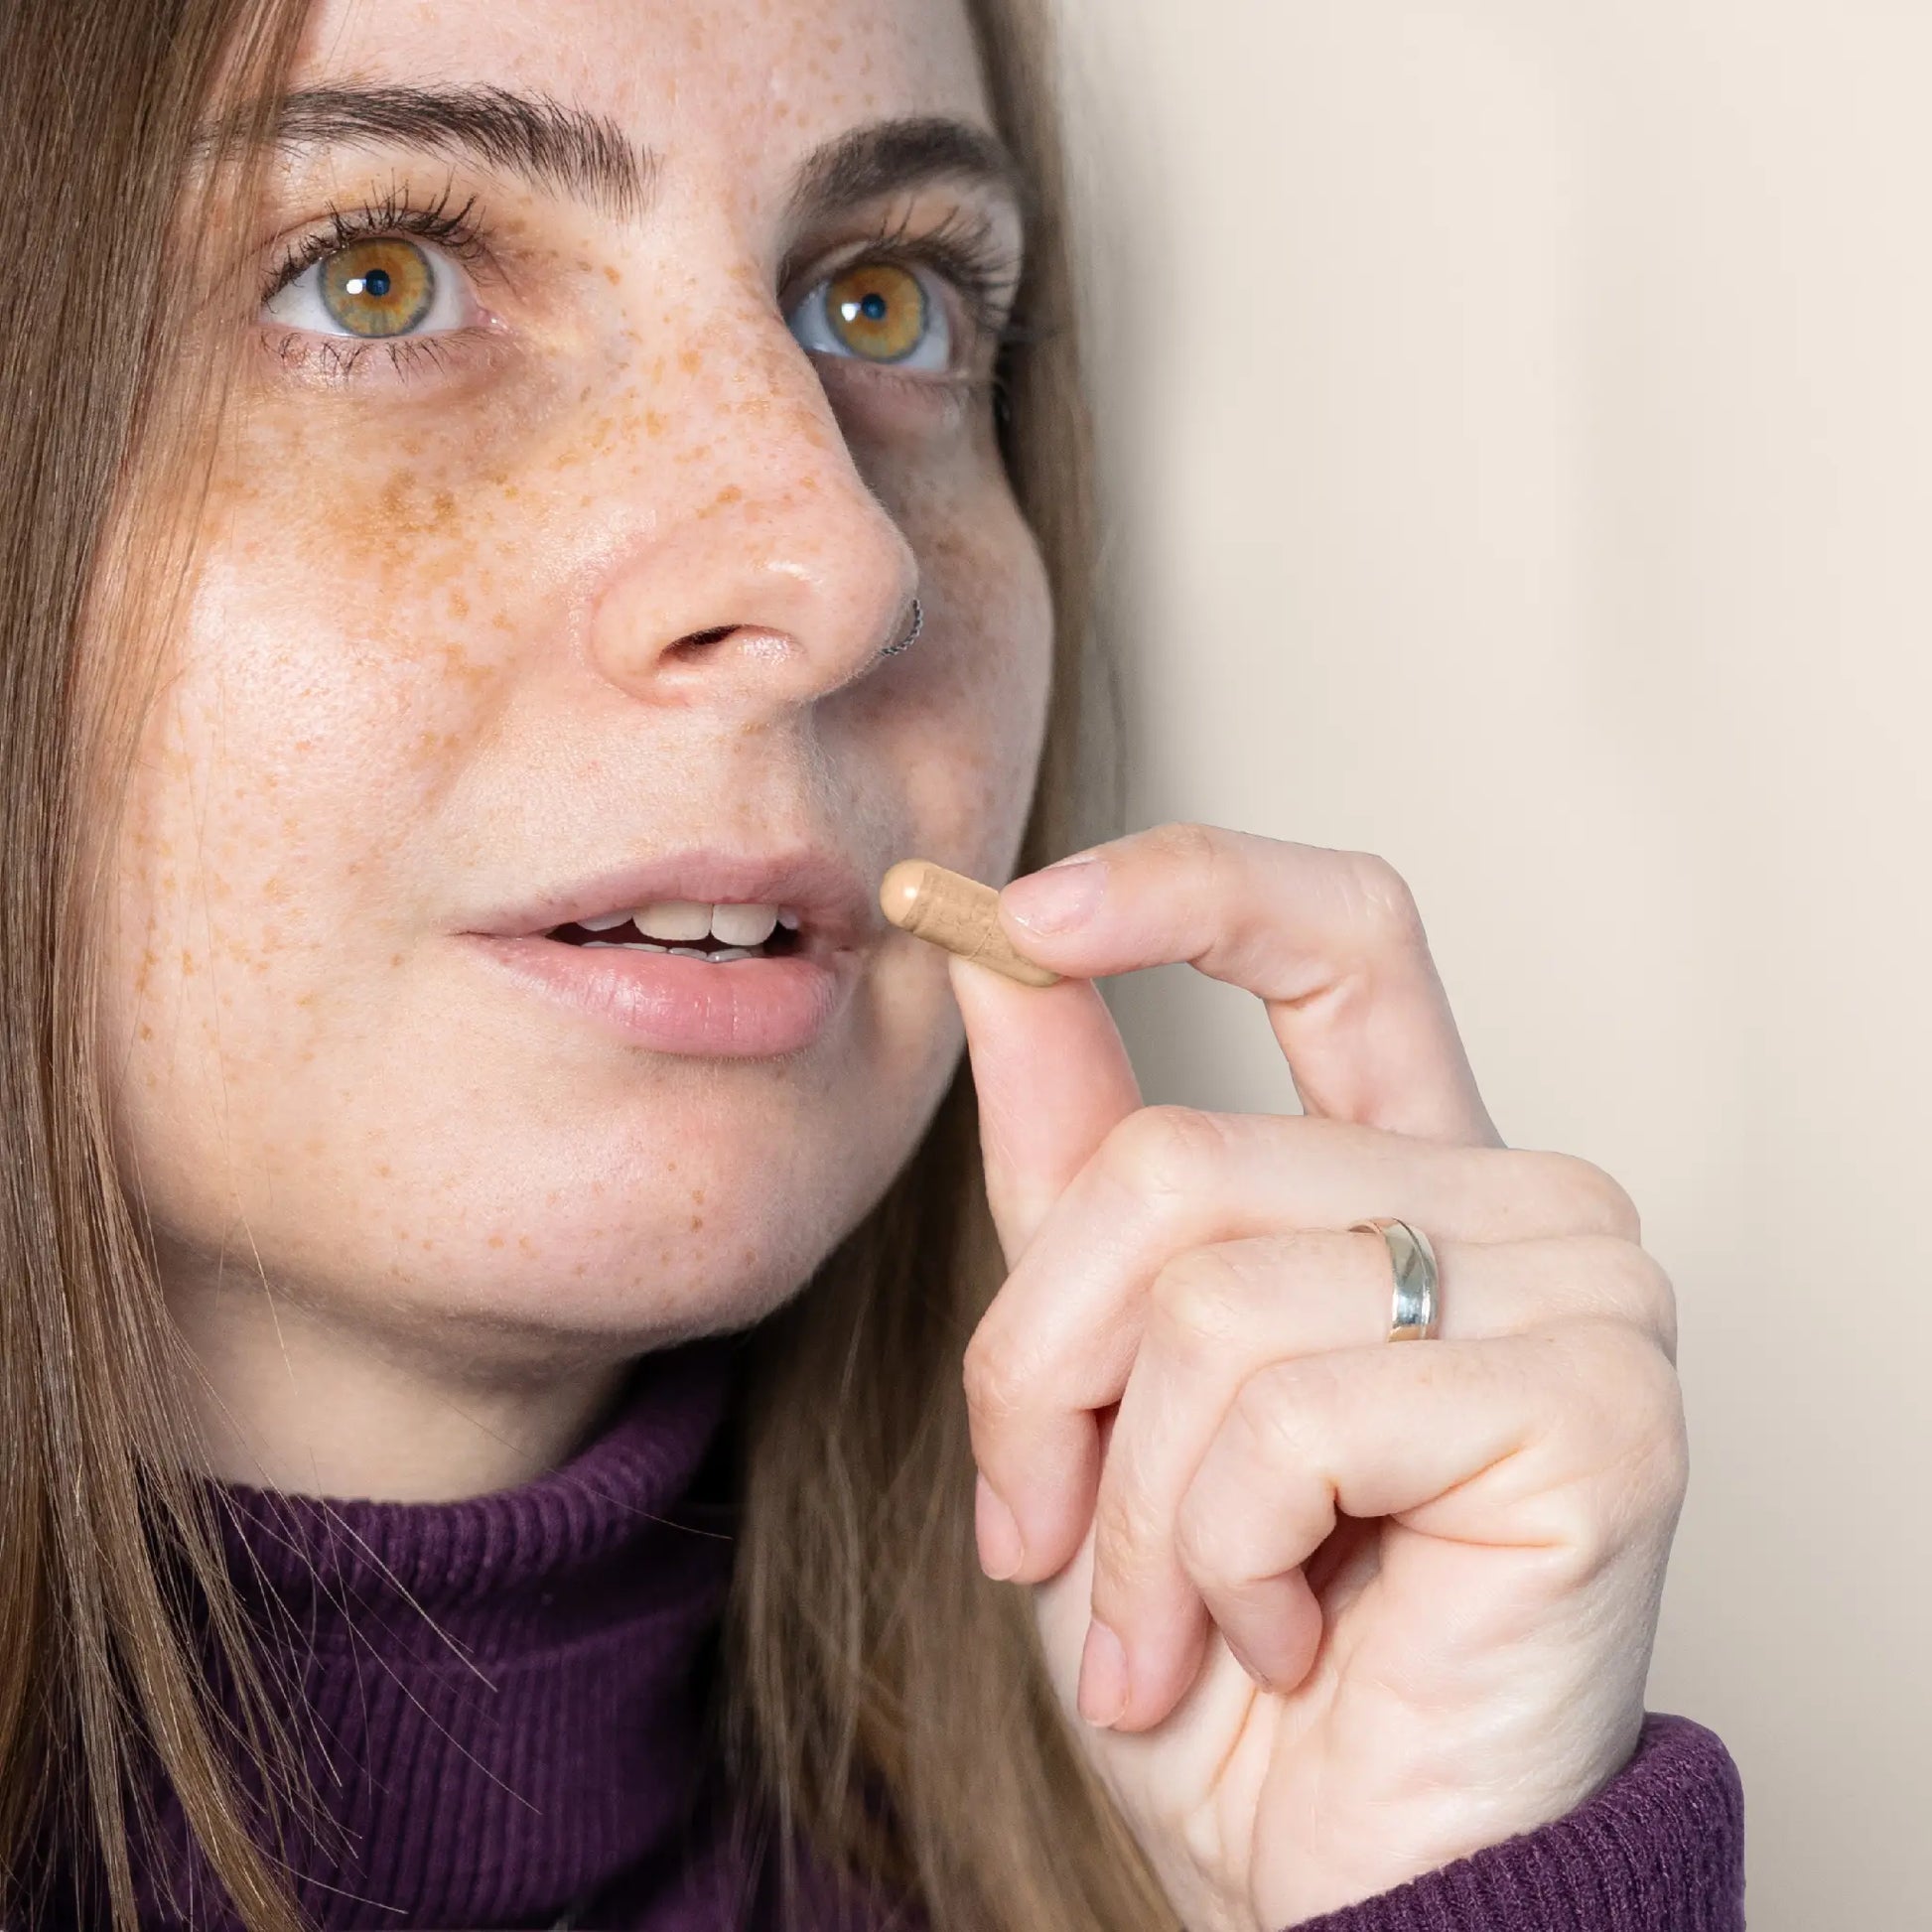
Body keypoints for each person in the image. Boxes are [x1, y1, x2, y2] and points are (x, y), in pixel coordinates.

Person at [0, 0, 1744, 1926]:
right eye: (382, 278)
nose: (841, 563)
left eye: (884, 303)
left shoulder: (1242, 1808)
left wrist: (1438, 1875)